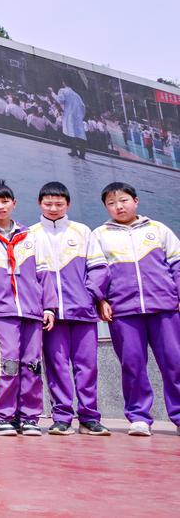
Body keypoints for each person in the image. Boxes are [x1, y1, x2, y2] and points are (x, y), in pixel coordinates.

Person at [0, 181, 56, 436]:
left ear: (14, 203)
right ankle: (1, 415)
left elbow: (43, 273)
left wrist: (49, 306)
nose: (0, 206)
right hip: (1, 310)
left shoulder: (31, 235)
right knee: (7, 363)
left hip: (32, 310)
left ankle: (29, 417)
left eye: (5, 201)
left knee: (33, 364)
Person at [91, 182, 180, 437]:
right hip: (124, 311)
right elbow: (97, 273)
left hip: (164, 307)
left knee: (175, 364)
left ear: (136, 201)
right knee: (132, 364)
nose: (118, 206)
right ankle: (139, 417)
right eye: (111, 203)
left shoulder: (158, 229)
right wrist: (101, 300)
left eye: (123, 200)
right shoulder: (100, 235)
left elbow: (177, 265)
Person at [31, 181, 111, 436]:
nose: (54, 208)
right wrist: (43, 306)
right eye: (48, 203)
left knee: (87, 366)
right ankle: (62, 417)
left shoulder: (83, 231)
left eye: (59, 204)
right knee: (56, 366)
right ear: (39, 204)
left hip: (83, 312)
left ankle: (89, 418)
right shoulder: (30, 235)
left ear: (68, 204)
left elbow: (98, 269)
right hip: (50, 316)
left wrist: (90, 296)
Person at [50, 78, 88, 158]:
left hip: (69, 115)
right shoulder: (76, 95)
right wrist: (81, 116)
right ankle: (81, 153)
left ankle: (74, 151)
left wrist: (52, 93)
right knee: (79, 134)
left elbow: (60, 100)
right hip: (77, 116)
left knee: (69, 133)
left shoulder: (62, 90)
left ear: (64, 82)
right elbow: (83, 106)